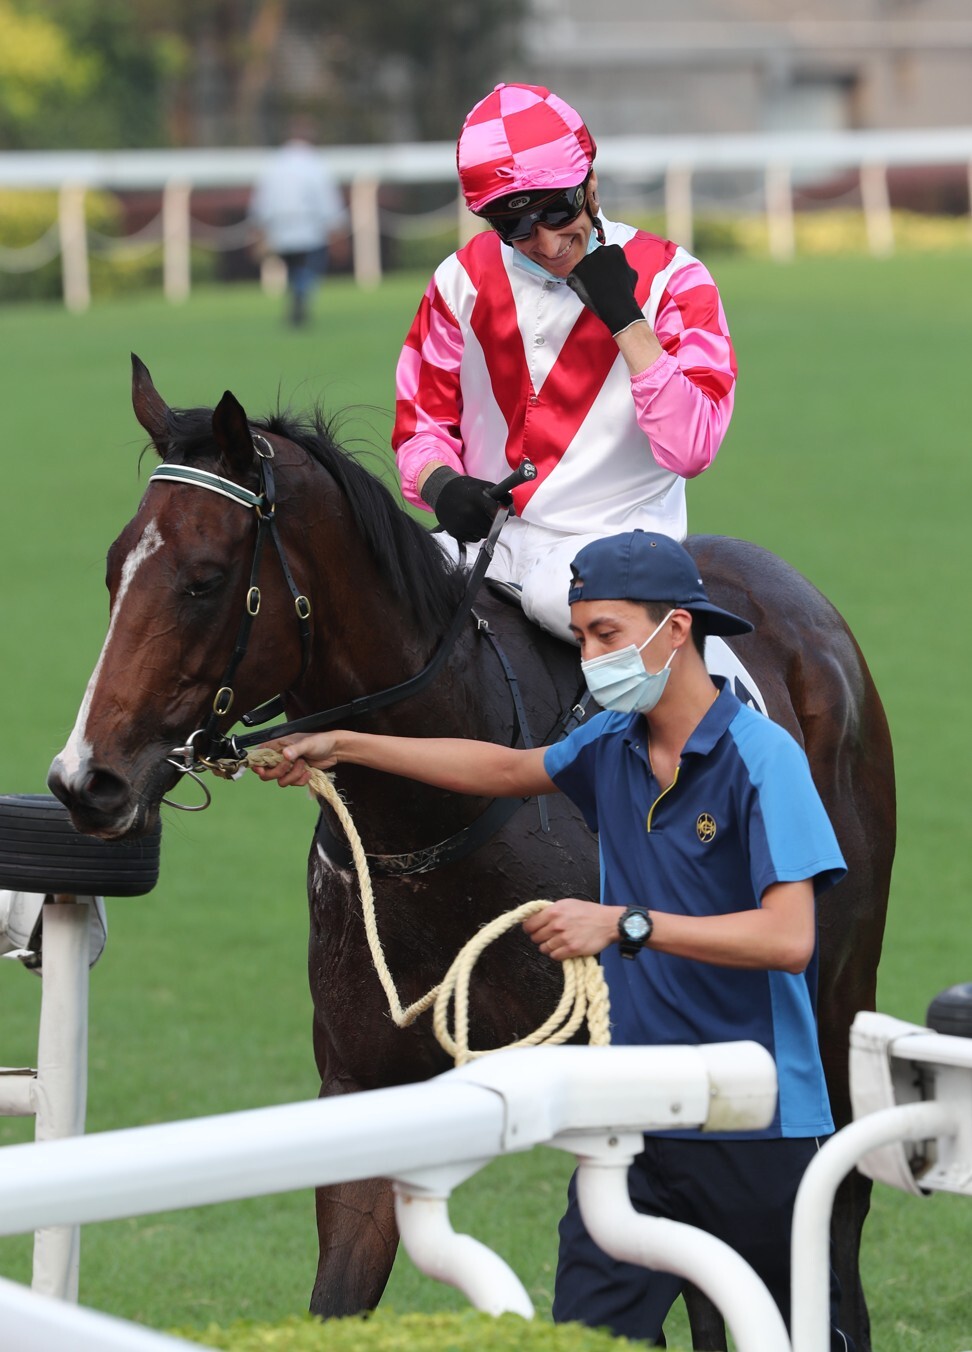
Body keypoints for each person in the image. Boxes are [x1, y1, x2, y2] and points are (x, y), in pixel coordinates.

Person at [251, 529, 852, 1349]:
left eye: (606, 634)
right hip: (634, 1122)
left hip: (756, 1121)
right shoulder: (611, 745)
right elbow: (501, 770)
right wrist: (344, 744)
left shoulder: (763, 761)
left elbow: (788, 940)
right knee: (586, 1337)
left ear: (674, 630)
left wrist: (624, 925)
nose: (592, 656)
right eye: (582, 639)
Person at [393, 83, 736, 643]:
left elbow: (693, 447)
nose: (549, 242)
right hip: (486, 545)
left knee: (622, 641)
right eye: (517, 226)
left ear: (591, 184)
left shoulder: (676, 279)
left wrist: (627, 321)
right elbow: (419, 429)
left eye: (558, 210)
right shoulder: (458, 282)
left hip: (615, 546)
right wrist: (440, 486)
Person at [249, 116, 348, 327]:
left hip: (280, 229)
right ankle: (300, 300)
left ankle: (296, 299)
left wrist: (259, 231)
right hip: (308, 227)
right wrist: (336, 228)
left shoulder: (275, 163)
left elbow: (262, 201)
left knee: (293, 268)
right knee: (307, 268)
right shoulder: (315, 164)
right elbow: (327, 199)